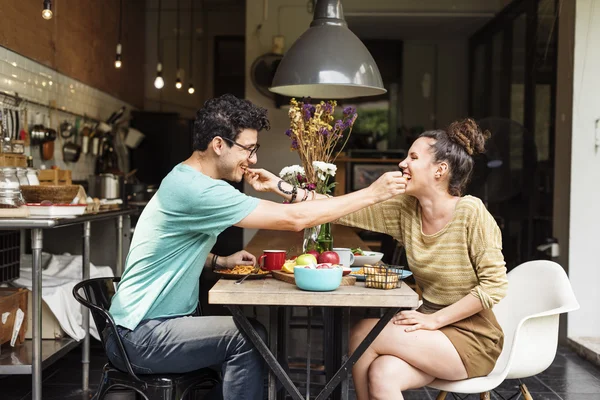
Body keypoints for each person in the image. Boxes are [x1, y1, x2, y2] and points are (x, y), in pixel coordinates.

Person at [106, 94, 408, 400]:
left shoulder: (186, 178)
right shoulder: (199, 190)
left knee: (249, 334)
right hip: (139, 336)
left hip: (144, 328)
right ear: (219, 144)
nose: (252, 159)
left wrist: (219, 262)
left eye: (255, 149)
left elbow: (166, 246)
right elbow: (295, 219)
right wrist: (372, 193)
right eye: (248, 149)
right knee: (247, 338)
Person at [247, 118, 508, 400]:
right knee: (382, 373)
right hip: (430, 331)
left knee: (361, 332)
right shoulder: (406, 210)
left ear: (440, 170)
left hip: (473, 338)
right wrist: (279, 186)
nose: (403, 164)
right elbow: (339, 209)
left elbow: (494, 286)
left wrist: (434, 321)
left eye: (414, 157)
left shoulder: (471, 212)